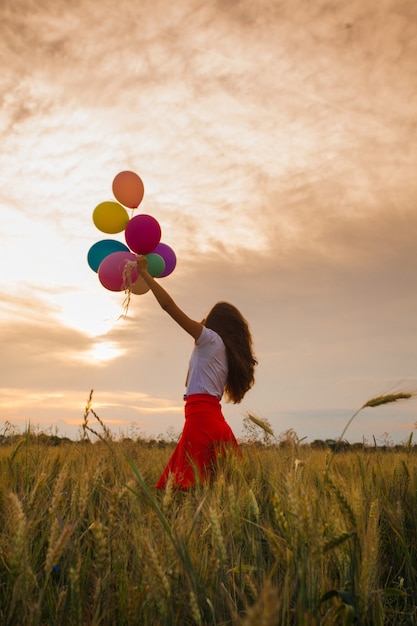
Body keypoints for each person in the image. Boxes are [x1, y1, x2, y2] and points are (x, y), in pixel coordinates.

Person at [135, 255, 257, 489]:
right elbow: (189, 381)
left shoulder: (210, 339)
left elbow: (168, 307)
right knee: (214, 489)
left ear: (213, 322)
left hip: (201, 419)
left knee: (186, 489)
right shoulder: (221, 349)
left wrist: (145, 274)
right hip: (213, 418)